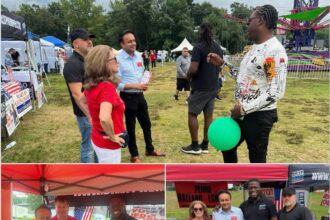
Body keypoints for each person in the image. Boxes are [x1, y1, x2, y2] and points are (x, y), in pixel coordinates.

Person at [207, 5, 288, 163]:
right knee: (227, 146)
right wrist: (222, 64)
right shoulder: (253, 49)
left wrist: (245, 109)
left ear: (261, 21)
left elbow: (276, 91)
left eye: (249, 20)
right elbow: (245, 78)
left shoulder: (274, 51)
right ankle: (231, 180)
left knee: (256, 158)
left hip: (259, 116)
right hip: (241, 112)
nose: (247, 24)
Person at [117, 30, 165, 163]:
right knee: (131, 127)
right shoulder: (117, 59)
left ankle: (150, 149)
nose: (133, 43)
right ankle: (134, 155)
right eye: (129, 41)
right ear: (122, 44)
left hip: (140, 96)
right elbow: (118, 84)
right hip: (127, 97)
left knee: (147, 124)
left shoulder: (139, 56)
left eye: (134, 40)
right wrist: (136, 86)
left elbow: (142, 71)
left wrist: (145, 79)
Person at [181, 23, 223, 155]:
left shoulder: (198, 47)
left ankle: (194, 146)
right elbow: (220, 65)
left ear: (201, 32)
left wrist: (187, 78)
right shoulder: (218, 47)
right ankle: (205, 145)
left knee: (192, 114)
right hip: (213, 86)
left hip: (200, 87)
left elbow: (193, 68)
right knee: (208, 116)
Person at [82, 45, 126, 163]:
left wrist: (91, 117)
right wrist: (113, 137)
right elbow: (104, 118)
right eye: (114, 59)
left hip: (97, 137)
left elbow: (82, 101)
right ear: (103, 63)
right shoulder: (107, 87)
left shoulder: (93, 84)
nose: (118, 62)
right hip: (108, 143)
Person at [63, 28, 96, 163]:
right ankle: (88, 173)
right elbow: (77, 94)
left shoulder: (86, 60)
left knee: (96, 146)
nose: (90, 42)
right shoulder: (72, 64)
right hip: (86, 115)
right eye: (85, 39)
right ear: (76, 44)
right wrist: (90, 115)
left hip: (94, 111)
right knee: (88, 148)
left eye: (90, 39)